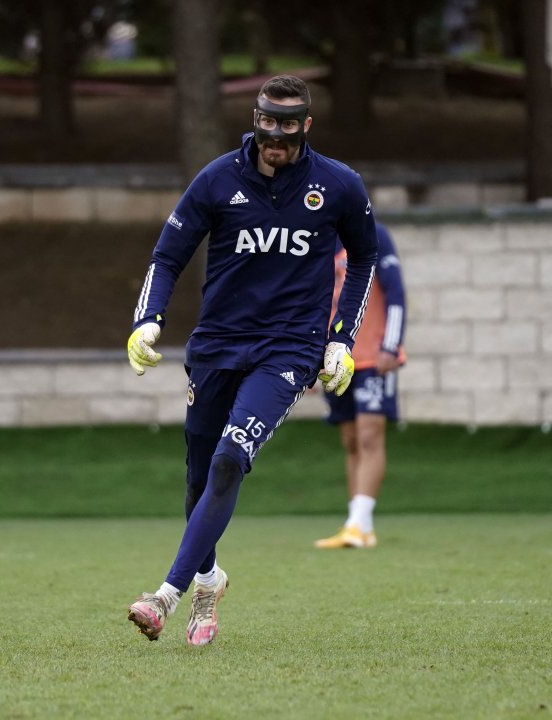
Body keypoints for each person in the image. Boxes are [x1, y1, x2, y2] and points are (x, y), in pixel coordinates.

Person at [125, 74, 378, 646]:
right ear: (255, 120)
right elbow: (167, 256)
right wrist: (147, 318)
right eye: (267, 124)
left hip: (289, 349)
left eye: (288, 127)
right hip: (217, 344)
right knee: (198, 476)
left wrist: (341, 339)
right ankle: (208, 582)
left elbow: (364, 257)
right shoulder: (217, 179)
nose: (275, 138)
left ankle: (165, 596)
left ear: (305, 126)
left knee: (229, 458)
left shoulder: (338, 185)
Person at [315, 224, 406, 549]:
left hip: (373, 358)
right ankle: (358, 526)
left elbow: (396, 294)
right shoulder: (321, 237)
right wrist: (310, 358)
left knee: (369, 436)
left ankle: (359, 522)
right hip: (336, 358)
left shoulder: (375, 234)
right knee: (351, 439)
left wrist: (391, 346)